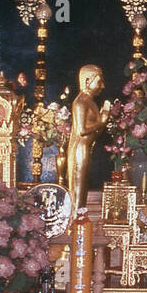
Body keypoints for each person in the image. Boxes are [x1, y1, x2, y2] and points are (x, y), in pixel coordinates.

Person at [65, 65, 110, 210]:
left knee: (82, 190)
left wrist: (103, 118)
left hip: (86, 149)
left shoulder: (90, 101)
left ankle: (80, 222)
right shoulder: (80, 102)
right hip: (79, 149)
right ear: (87, 81)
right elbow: (81, 130)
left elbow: (95, 133)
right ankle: (76, 223)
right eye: (99, 81)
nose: (102, 86)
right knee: (77, 192)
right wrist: (101, 121)